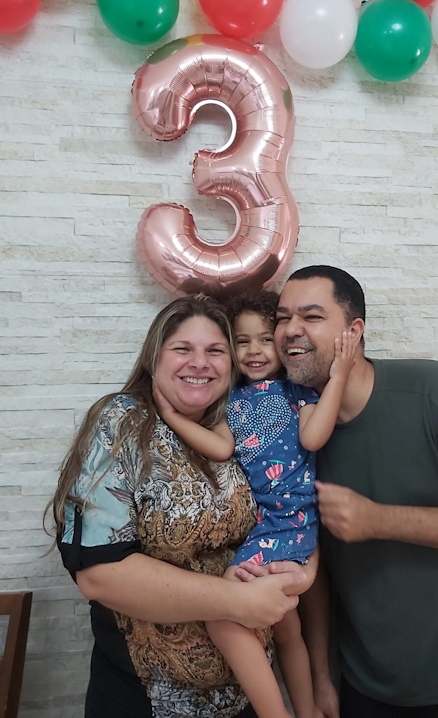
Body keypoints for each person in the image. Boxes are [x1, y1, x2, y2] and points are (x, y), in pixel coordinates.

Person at [271, 265, 438, 718]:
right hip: (366, 689)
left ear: (354, 331)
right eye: (281, 318)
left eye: (311, 316)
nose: (291, 330)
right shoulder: (290, 433)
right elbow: (315, 567)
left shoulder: (432, 391)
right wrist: (321, 676)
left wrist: (376, 519)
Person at [51, 293, 310, 718]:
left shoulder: (240, 422)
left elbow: (291, 508)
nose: (200, 363)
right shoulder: (123, 422)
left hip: (244, 696)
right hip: (148, 700)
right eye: (182, 349)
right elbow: (99, 574)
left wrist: (298, 571)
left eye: (215, 351)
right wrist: (236, 601)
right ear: (154, 358)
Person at [153, 291, 356, 718]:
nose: (255, 351)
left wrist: (337, 377)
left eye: (265, 339)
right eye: (242, 342)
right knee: (286, 630)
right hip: (269, 525)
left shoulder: (298, 391)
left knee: (222, 615)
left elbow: (313, 438)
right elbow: (222, 448)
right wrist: (173, 418)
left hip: (290, 524)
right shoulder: (232, 399)